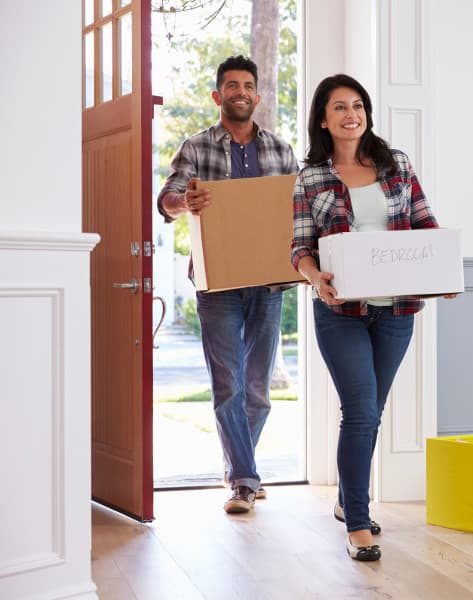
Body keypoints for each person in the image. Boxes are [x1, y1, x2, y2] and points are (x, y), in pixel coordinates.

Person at [291, 74, 455, 562]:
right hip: (341, 310)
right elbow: (300, 246)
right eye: (339, 107)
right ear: (324, 119)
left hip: (397, 309)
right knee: (360, 412)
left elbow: (426, 225)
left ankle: (347, 498)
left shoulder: (396, 165)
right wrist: (315, 277)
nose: (351, 114)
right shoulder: (312, 177)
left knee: (371, 413)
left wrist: (441, 273)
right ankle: (358, 523)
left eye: (358, 105)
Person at [157, 55, 299, 514]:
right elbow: (166, 199)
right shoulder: (196, 147)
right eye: (231, 86)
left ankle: (240, 465)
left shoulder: (280, 150)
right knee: (228, 384)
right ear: (218, 96)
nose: (240, 92)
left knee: (257, 390)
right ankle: (243, 480)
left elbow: (295, 212)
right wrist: (186, 201)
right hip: (217, 281)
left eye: (248, 86)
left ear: (257, 95)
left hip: (269, 281)